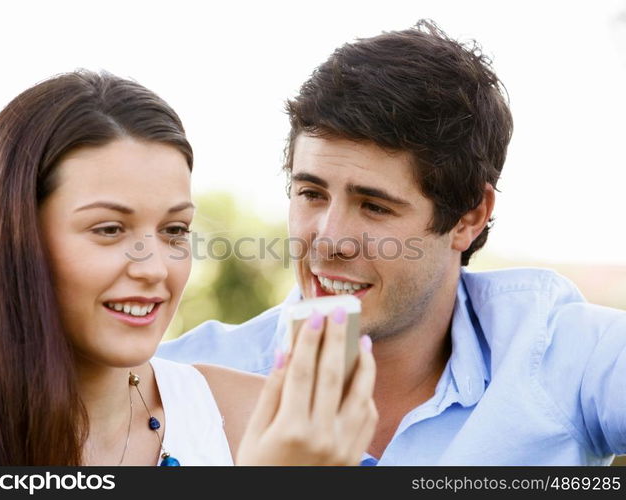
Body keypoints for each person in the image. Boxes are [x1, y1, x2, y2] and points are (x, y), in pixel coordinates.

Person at [158, 20, 626, 465]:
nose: (328, 241)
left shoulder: (561, 355)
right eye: (311, 194)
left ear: (469, 216)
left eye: (375, 206)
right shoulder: (179, 380)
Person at [0, 70, 377, 466]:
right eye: (109, 229)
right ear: (16, 239)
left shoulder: (261, 421)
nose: (154, 268)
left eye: (175, 230)